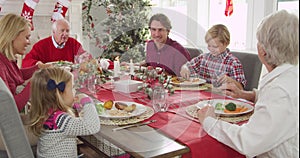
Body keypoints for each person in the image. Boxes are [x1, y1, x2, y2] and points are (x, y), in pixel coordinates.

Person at [197, 10, 298, 157]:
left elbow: (247, 142)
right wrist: (249, 95)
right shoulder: (290, 76)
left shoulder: (280, 91)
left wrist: (209, 121)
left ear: (262, 50)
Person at [28, 67, 101, 157]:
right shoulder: (60, 120)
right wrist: (87, 102)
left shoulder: (46, 112)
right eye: (72, 88)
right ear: (59, 93)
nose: (74, 92)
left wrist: (75, 106)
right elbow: (92, 126)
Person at [0, 13, 50, 112]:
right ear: (12, 36)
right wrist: (35, 82)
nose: (29, 42)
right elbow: (12, 107)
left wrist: (39, 68)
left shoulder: (5, 59)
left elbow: (16, 74)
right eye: (27, 37)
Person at [180, 24, 246, 90]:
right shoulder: (203, 58)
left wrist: (230, 80)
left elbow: (241, 89)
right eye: (209, 46)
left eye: (215, 46)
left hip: (221, 97)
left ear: (226, 43)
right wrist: (185, 68)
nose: (211, 49)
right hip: (202, 95)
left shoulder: (233, 63)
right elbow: (187, 66)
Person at [21, 18, 86, 68]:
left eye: (67, 31)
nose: (65, 33)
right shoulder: (41, 45)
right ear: (54, 32)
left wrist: (86, 62)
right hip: (48, 78)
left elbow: (85, 57)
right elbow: (26, 62)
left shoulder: (73, 43)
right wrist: (39, 64)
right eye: (62, 30)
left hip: (69, 77)